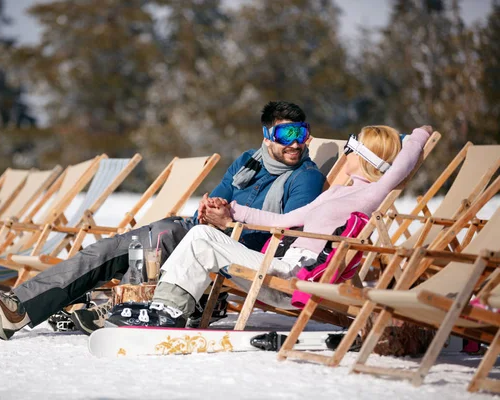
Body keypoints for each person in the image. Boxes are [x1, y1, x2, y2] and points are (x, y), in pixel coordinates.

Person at [0, 101, 326, 340]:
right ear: (268, 137)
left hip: (232, 248)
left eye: (302, 133)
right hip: (201, 232)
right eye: (286, 135)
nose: (296, 144)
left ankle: (118, 308)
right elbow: (211, 201)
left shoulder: (305, 177)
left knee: (154, 241)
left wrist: (227, 219)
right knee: (109, 248)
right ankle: (18, 308)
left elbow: (286, 232)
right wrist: (210, 210)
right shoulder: (248, 161)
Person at [105, 125, 434, 327]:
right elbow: (282, 221)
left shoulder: (367, 195)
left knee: (201, 237)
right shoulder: (339, 192)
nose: (345, 151)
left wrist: (418, 135)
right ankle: (166, 307)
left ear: (361, 156)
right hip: (279, 266)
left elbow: (401, 165)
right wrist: (233, 210)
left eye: (351, 145)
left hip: (289, 278)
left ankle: (167, 311)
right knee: (201, 234)